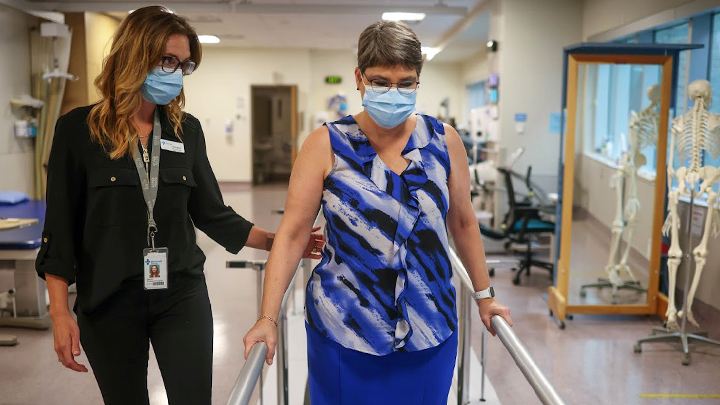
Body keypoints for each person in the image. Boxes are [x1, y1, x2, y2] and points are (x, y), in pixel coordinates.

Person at [35, 6, 323, 405]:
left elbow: (211, 213)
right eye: (167, 59)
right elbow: (60, 229)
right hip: (108, 299)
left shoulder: (186, 130)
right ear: (134, 53)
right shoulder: (78, 131)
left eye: (183, 65)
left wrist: (281, 241)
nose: (175, 72)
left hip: (180, 293)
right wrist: (59, 312)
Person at [243, 21, 512, 405]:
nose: (394, 91)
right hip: (344, 327)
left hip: (429, 324)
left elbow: (464, 221)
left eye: (406, 82)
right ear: (359, 77)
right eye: (380, 80)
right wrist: (267, 318)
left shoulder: (444, 141)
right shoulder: (325, 145)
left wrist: (485, 296)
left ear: (419, 80)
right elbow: (292, 234)